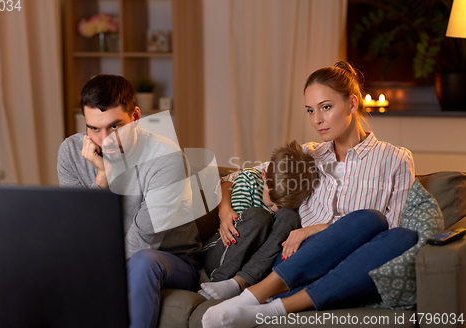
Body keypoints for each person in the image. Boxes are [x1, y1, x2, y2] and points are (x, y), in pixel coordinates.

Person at [202, 61, 418, 328]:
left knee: (392, 231)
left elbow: (393, 232)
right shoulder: (309, 155)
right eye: (310, 110)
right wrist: (225, 211)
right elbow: (231, 178)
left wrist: (314, 229)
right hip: (297, 262)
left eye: (326, 107)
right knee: (369, 219)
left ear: (351, 104)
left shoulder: (395, 159)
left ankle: (269, 307)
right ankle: (257, 294)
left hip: (354, 263)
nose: (317, 119)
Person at [57, 74, 201, 328]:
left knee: (142, 261)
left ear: (135, 117)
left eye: (115, 127)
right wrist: (102, 180)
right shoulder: (71, 152)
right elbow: (76, 230)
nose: (105, 140)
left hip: (169, 260)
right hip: (105, 255)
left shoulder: (166, 158)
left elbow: (143, 241)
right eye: (93, 128)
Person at [199, 141, 318, 301]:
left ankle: (242, 284)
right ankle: (219, 281)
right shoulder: (247, 180)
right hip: (224, 250)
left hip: (253, 266)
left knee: (290, 217)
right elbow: (236, 235)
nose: (276, 207)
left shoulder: (289, 199)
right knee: (259, 216)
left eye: (282, 204)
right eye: (274, 200)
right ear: (264, 176)